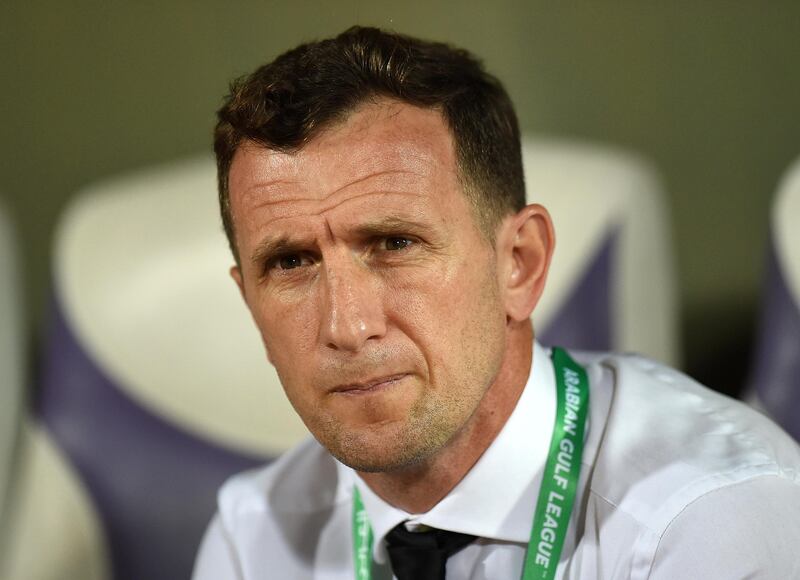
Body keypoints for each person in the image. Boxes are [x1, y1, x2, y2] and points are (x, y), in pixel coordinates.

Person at [192, 26, 800, 580]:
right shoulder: (253, 538)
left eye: (395, 243)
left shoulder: (707, 518)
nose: (347, 326)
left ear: (520, 263)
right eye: (290, 263)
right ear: (249, 302)